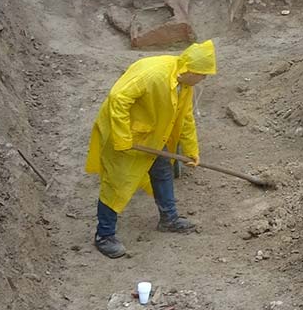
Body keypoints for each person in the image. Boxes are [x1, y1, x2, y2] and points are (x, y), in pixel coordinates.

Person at [86, 40, 217, 258]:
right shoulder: (154, 75)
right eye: (203, 74)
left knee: (162, 171)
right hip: (128, 136)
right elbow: (117, 98)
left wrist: (190, 151)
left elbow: (185, 118)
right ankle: (104, 236)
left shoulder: (184, 85)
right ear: (190, 70)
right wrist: (122, 136)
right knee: (117, 183)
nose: (204, 79)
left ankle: (169, 218)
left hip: (154, 135)